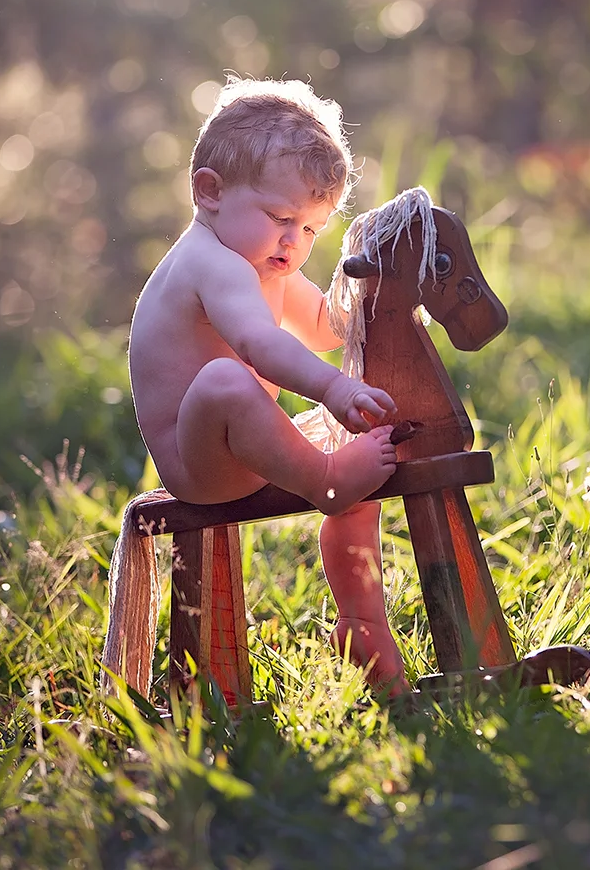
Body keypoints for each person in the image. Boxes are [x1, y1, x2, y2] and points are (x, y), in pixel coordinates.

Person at [128, 77, 410, 697]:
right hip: (201, 463)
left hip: (250, 445)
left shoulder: (265, 264)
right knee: (226, 379)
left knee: (361, 458)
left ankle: (361, 622)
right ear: (209, 191)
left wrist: (381, 297)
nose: (293, 242)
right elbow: (260, 345)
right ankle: (325, 480)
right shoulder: (211, 263)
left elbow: (324, 326)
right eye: (281, 219)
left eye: (311, 229)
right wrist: (333, 390)